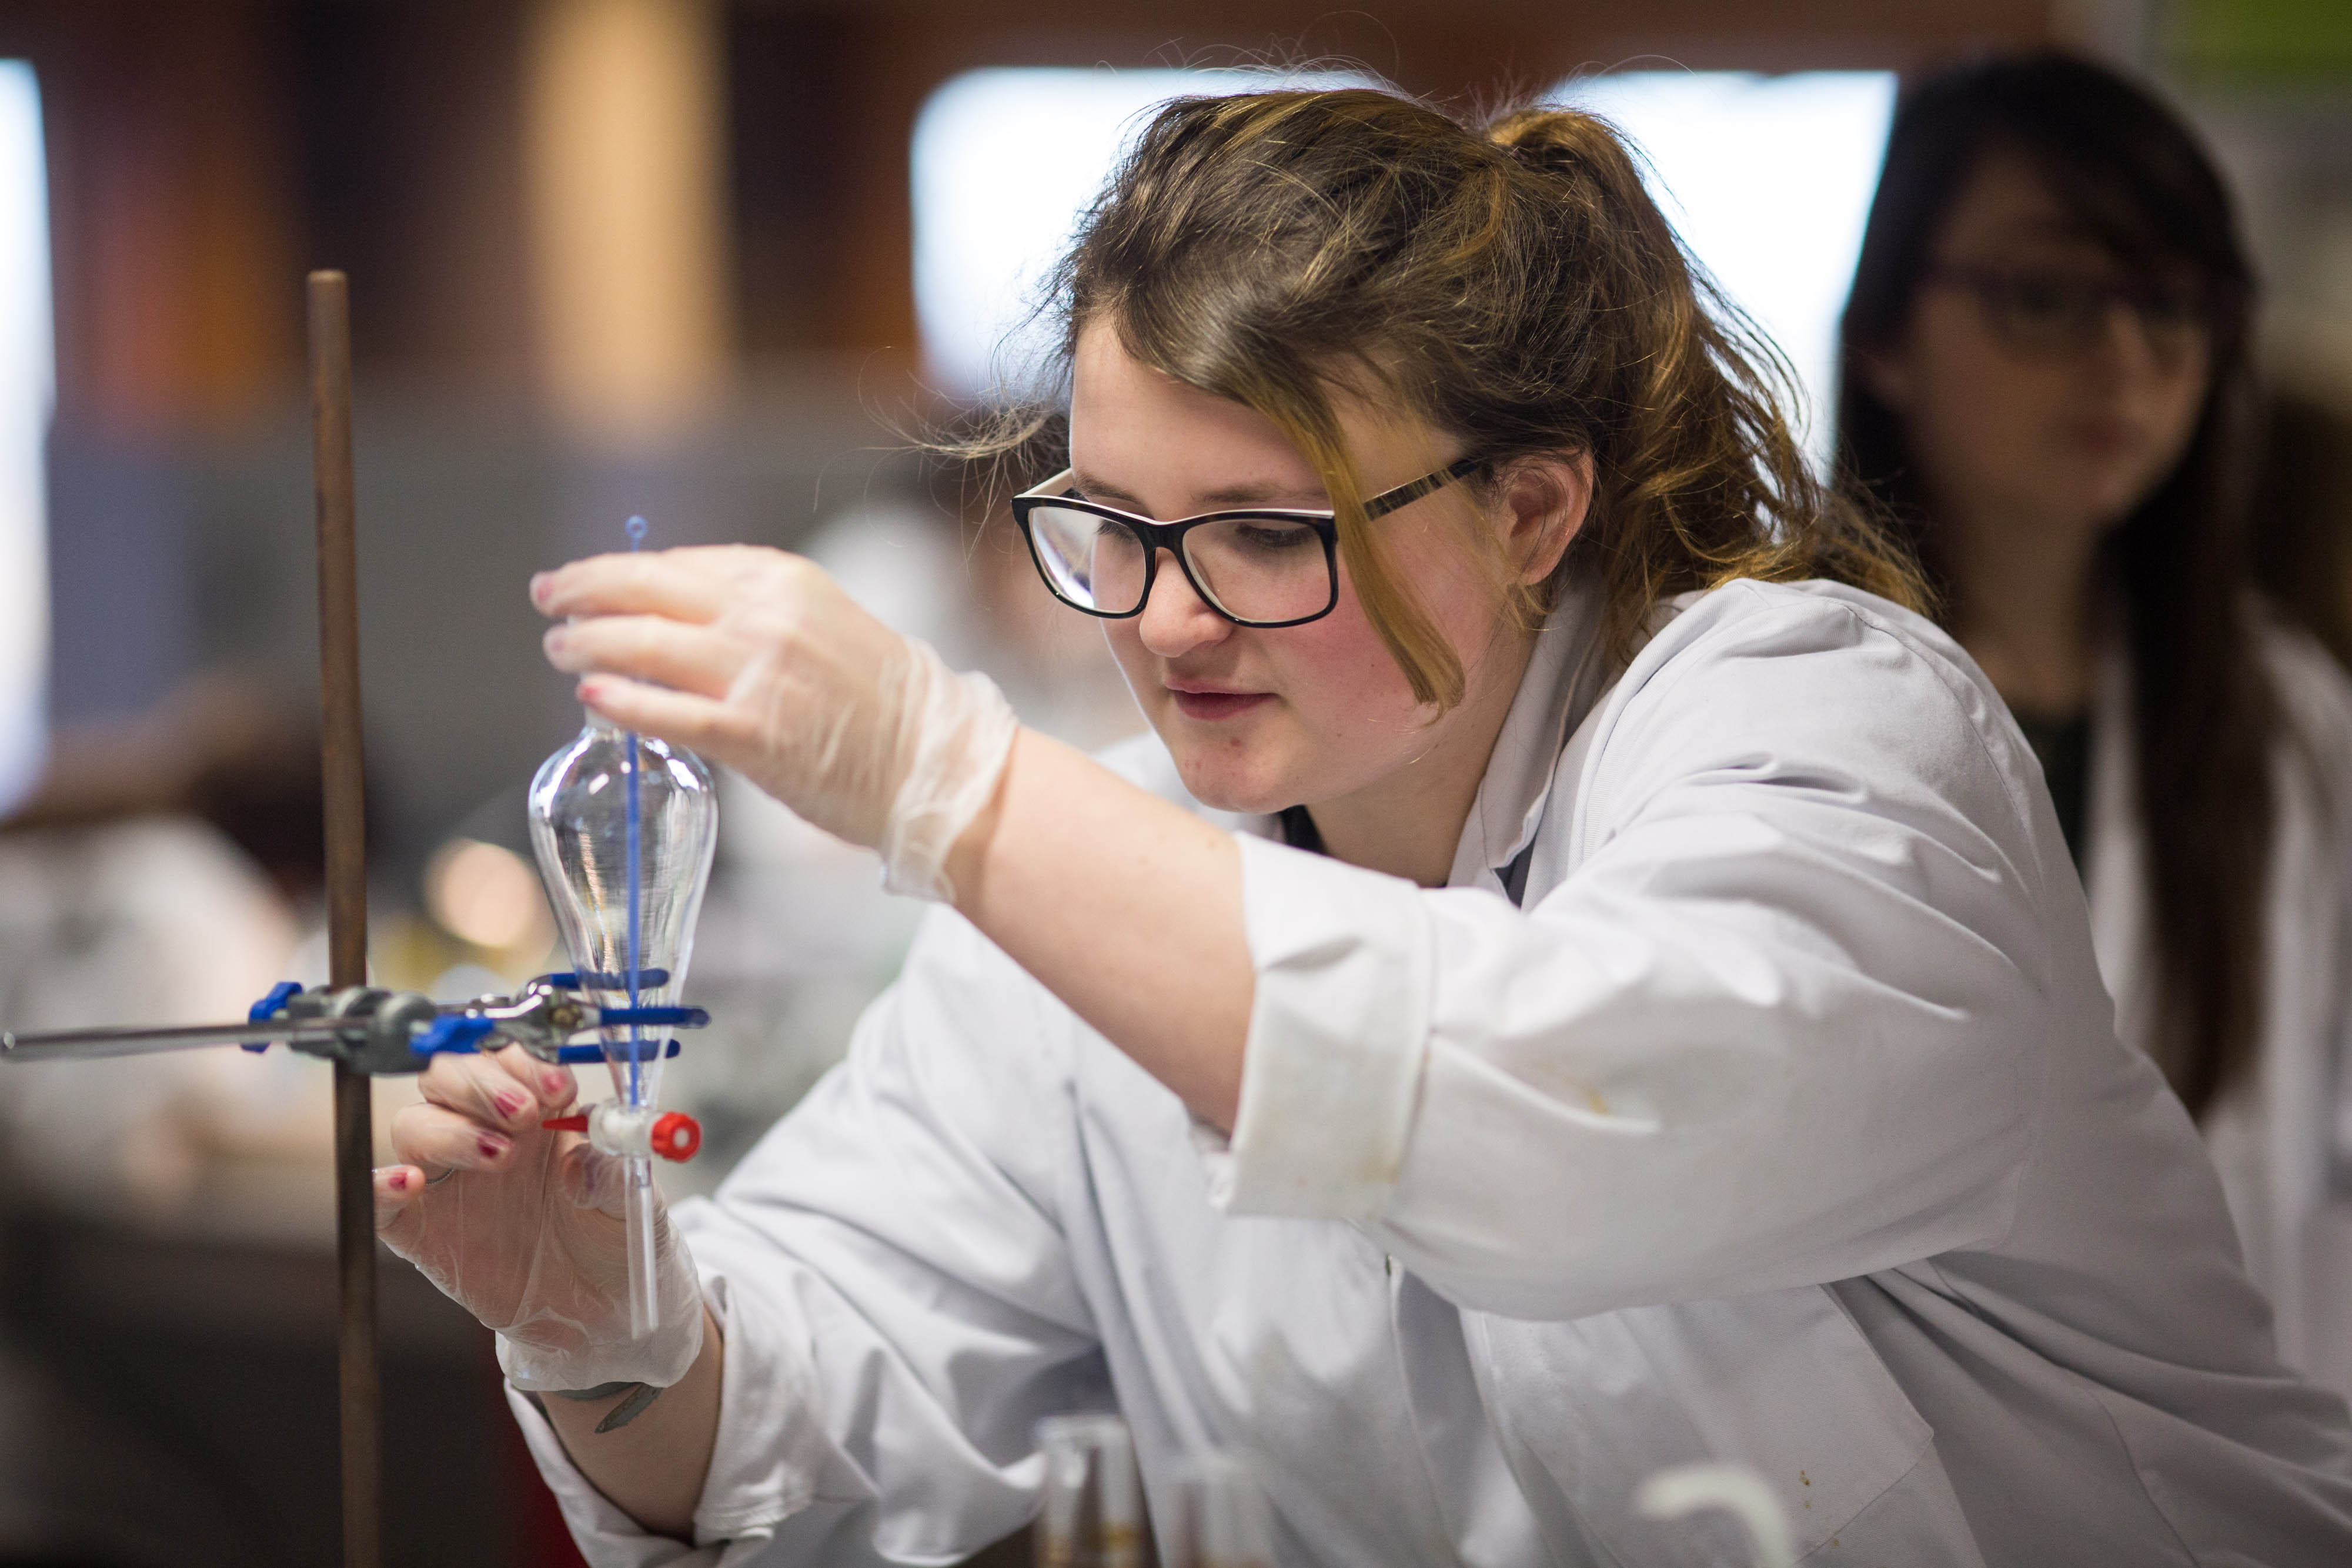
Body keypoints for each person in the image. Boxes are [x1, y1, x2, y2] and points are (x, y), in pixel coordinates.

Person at [377, 86, 2352, 1564]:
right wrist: (606, 1321)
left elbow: (1573, 1109)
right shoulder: (1104, 893)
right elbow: (824, 1401)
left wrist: (946, 778)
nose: (1160, 619)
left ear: (1533, 509)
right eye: (1117, 527)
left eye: (1260, 533)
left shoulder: (1820, 720)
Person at [1836, 51, 2352, 1398]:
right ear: (1886, 330)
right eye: (2044, 296)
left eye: (2173, 305)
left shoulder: (2285, 717)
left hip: (2223, 1450)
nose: (2123, 358)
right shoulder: (1782, 693)